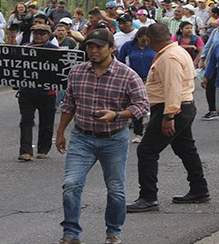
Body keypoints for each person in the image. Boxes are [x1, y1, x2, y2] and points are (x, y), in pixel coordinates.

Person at [55, 28, 149, 244]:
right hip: (82, 137)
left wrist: (116, 115)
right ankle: (70, 233)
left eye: (99, 46)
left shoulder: (127, 75)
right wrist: (60, 132)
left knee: (115, 189)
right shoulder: (77, 72)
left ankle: (113, 232)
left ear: (111, 48)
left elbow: (142, 106)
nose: (94, 50)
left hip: (114, 138)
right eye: (90, 46)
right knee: (71, 185)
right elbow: (69, 104)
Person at [127, 23, 210, 213]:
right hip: (182, 106)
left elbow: (172, 87)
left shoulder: (169, 57)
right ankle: (199, 188)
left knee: (147, 150)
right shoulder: (176, 51)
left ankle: (148, 196)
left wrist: (169, 115)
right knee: (186, 149)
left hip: (173, 108)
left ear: (151, 40)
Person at [17, 23, 59, 161]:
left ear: (48, 36)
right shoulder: (24, 49)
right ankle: (25, 151)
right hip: (27, 91)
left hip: (47, 93)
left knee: (47, 122)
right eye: (35, 33)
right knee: (26, 121)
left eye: (42, 33)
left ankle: (43, 149)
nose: (38, 36)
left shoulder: (55, 50)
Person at [117, 27, 156, 144]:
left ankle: (152, 133)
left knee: (154, 105)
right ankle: (138, 133)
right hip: (134, 79)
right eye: (141, 40)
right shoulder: (128, 46)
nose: (144, 42)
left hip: (152, 79)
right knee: (137, 105)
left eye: (146, 40)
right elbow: (120, 60)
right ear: (137, 38)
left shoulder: (154, 46)